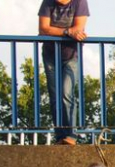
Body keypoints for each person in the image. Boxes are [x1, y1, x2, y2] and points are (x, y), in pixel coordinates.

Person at [38, 0, 90, 146]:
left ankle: (71, 134)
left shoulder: (79, 2)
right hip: (50, 54)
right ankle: (60, 136)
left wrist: (54, 31)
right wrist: (67, 31)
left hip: (70, 54)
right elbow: (43, 28)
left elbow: (79, 29)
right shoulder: (47, 2)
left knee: (66, 94)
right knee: (54, 97)